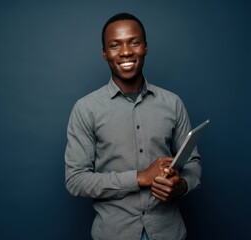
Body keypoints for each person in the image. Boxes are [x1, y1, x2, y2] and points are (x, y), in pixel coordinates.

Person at [65, 12, 201, 240]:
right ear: (105, 53)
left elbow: (193, 163)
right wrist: (139, 177)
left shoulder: (172, 103)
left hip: (169, 233)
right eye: (115, 45)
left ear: (145, 47)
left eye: (134, 42)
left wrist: (181, 186)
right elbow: (75, 180)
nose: (126, 52)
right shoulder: (85, 109)